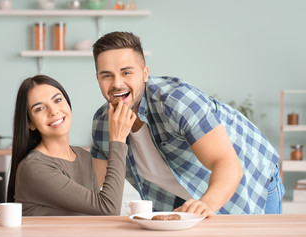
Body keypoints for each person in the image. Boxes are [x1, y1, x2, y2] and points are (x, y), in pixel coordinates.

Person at [90, 31, 285, 217]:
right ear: (97, 79)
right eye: (107, 75)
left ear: (145, 73)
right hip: (187, 196)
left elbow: (227, 164)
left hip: (251, 180)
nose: (117, 83)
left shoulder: (175, 101)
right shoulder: (102, 124)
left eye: (126, 72)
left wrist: (207, 204)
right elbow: (92, 189)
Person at [6, 74, 136, 216]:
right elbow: (108, 209)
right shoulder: (34, 168)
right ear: (30, 123)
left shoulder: (84, 157)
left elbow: (98, 216)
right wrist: (118, 139)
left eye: (58, 100)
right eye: (39, 109)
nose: (53, 111)